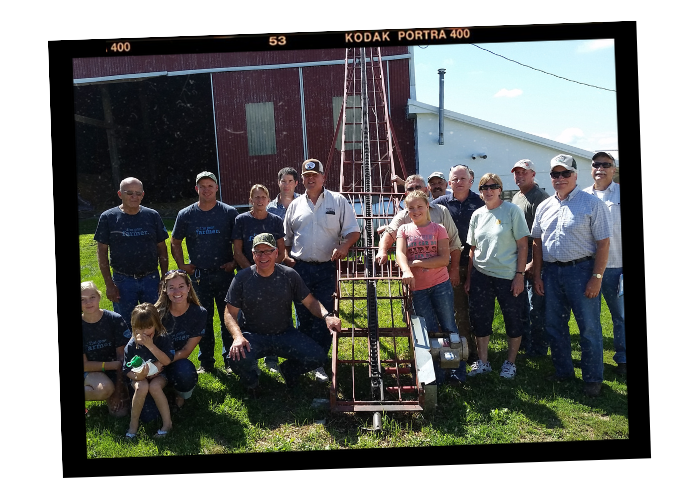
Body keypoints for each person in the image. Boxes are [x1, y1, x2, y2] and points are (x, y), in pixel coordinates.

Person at [532, 154, 611, 397]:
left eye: (565, 173)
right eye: (555, 174)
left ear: (575, 175)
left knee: (588, 328)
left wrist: (596, 277)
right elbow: (536, 242)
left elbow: (604, 244)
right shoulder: (544, 205)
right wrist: (537, 275)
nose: (560, 178)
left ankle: (592, 378)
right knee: (555, 326)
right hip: (552, 272)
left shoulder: (591, 203)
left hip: (582, 271)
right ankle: (564, 372)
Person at [224, 233, 341, 393]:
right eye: (258, 252)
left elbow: (310, 302)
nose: (263, 256)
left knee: (318, 357)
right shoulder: (242, 278)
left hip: (284, 334)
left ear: (276, 253)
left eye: (268, 251)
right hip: (253, 336)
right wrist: (238, 337)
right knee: (235, 358)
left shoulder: (289, 275)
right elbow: (229, 313)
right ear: (253, 254)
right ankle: (251, 382)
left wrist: (327, 316)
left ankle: (289, 371)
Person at [283, 158, 360, 382]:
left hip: (326, 268)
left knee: (325, 315)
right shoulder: (295, 205)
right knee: (303, 315)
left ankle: (319, 362)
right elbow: (286, 238)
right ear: (302, 180)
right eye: (306, 176)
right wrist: (287, 257)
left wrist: (344, 247)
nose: (310, 179)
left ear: (323, 177)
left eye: (314, 175)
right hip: (300, 268)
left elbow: (353, 231)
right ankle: (303, 361)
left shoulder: (338, 201)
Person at [171, 171, 239, 374]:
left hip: (225, 274)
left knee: (229, 317)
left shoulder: (229, 213)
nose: (207, 189)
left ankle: (230, 360)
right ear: (196, 189)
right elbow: (175, 241)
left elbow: (239, 241)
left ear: (217, 188)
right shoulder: (186, 214)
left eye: (210, 185)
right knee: (203, 319)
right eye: (203, 186)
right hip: (198, 276)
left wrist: (234, 261)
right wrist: (182, 265)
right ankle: (207, 361)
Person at [465, 174, 530, 379]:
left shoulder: (512, 211)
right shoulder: (477, 214)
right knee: (480, 319)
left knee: (513, 319)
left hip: (508, 276)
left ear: (500, 189)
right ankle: (483, 362)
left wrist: (519, 275)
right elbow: (472, 249)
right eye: (484, 187)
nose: (488, 190)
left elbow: (522, 246)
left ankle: (510, 363)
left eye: (493, 186)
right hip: (481, 274)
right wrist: (468, 278)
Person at [395, 190, 461, 384]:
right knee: (428, 331)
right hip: (418, 288)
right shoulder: (404, 230)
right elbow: (400, 253)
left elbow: (443, 259)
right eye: (411, 208)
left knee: (449, 325)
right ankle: (436, 374)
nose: (416, 211)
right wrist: (406, 270)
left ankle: (457, 371)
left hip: (440, 284)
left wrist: (416, 264)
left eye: (419, 207)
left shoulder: (438, 228)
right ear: (407, 211)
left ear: (427, 207)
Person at [94, 177, 169, 325]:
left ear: (143, 195)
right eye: (129, 193)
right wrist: (109, 284)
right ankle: (129, 349)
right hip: (123, 281)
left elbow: (162, 248)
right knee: (125, 325)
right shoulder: (108, 218)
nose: (134, 197)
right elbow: (102, 253)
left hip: (151, 279)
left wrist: (163, 280)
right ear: (120, 194)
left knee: (156, 321)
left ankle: (154, 349)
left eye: (138, 193)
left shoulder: (152, 216)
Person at [434, 165, 485, 364]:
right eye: (455, 179)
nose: (459, 182)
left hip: (478, 264)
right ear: (449, 182)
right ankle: (466, 353)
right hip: (450, 266)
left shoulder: (481, 202)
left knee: (478, 310)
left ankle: (481, 352)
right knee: (458, 311)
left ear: (471, 180)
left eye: (463, 178)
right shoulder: (440, 204)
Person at [583, 151, 625, 374]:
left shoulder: (620, 193)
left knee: (621, 316)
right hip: (588, 269)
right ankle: (592, 358)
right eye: (596, 164)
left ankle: (623, 358)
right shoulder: (582, 196)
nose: (600, 168)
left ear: (614, 169)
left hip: (617, 266)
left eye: (606, 164)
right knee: (590, 319)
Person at [511, 159, 550, 358]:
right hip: (520, 260)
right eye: (516, 173)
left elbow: (540, 235)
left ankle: (539, 349)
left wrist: (534, 264)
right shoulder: (517, 197)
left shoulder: (540, 197)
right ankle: (526, 344)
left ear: (533, 174)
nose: (519, 176)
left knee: (536, 307)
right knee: (523, 307)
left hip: (535, 261)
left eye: (523, 172)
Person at [155, 269, 206, 410]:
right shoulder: (156, 314)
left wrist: (161, 364)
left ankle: (180, 393)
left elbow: (186, 351)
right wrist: (153, 366)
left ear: (189, 287)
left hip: (176, 360)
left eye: (181, 286)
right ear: (164, 290)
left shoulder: (199, 313)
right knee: (149, 416)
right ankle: (160, 389)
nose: (177, 292)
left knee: (186, 372)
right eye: (171, 288)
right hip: (153, 360)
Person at [266, 168, 301, 372]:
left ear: (296, 183)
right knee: (273, 309)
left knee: (299, 307)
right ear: (278, 183)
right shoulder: (270, 209)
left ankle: (294, 352)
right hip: (276, 264)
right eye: (283, 181)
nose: (286, 184)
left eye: (290, 181)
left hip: (298, 264)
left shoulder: (304, 204)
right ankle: (271, 357)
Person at [123, 303, 174, 439]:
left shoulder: (162, 338)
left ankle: (167, 424)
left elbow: (167, 361)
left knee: (155, 386)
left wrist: (151, 346)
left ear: (156, 324)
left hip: (159, 375)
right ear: (133, 327)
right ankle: (133, 425)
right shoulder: (132, 344)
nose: (144, 332)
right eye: (139, 329)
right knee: (141, 386)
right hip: (139, 377)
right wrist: (139, 376)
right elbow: (126, 369)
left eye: (149, 327)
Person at [81, 281, 130, 417]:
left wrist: (119, 391)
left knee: (120, 413)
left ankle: (112, 388)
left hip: (116, 369)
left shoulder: (115, 320)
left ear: (99, 297)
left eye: (92, 297)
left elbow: (121, 359)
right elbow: (85, 366)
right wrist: (110, 365)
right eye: (82, 300)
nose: (88, 302)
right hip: (92, 371)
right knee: (105, 389)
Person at [233, 184, 285, 269]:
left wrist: (267, 270)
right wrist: (252, 272)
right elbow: (237, 252)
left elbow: (281, 253)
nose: (260, 200)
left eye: (263, 197)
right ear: (251, 200)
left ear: (268, 201)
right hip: (248, 271)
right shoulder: (241, 220)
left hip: (271, 273)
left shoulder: (276, 221)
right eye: (257, 197)